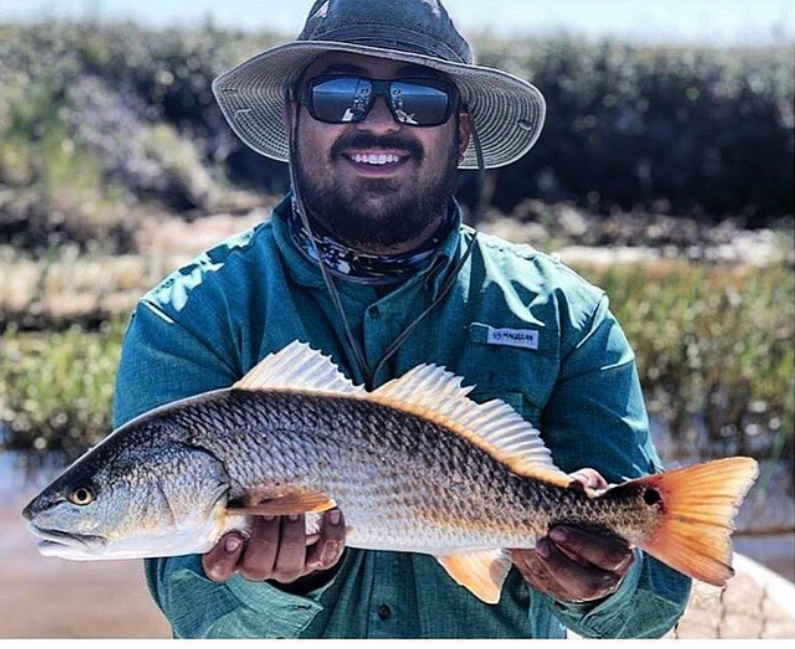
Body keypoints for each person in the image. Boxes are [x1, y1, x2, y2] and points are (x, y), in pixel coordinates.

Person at [113, 0, 691, 639]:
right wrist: (280, 587)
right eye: (339, 94)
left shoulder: (567, 315)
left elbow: (650, 611)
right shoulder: (186, 317)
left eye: (420, 97)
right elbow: (196, 615)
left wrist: (601, 588)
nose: (381, 122)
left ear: (462, 131)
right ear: (292, 119)